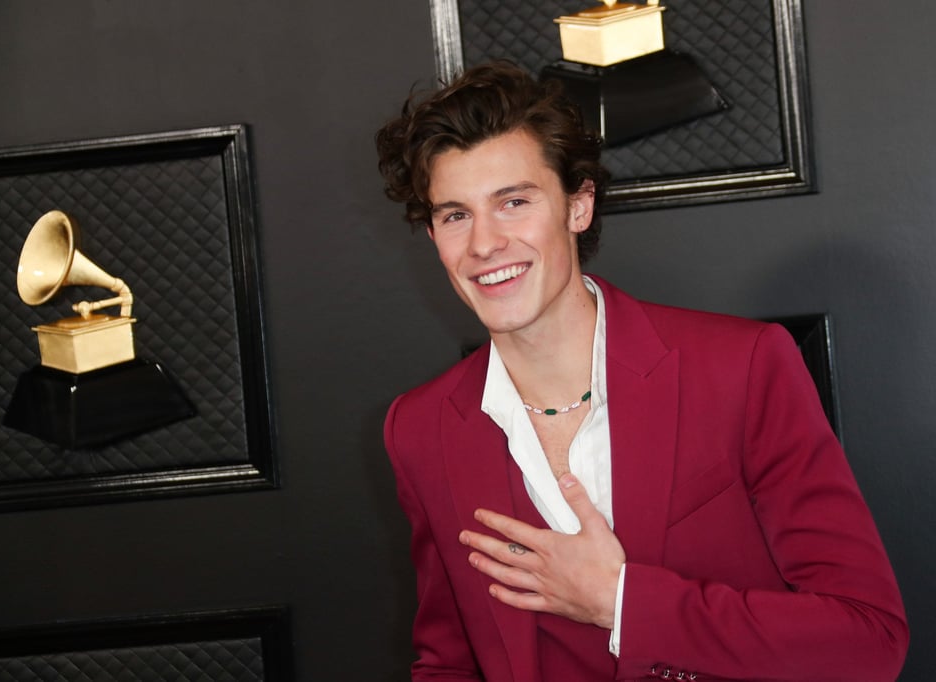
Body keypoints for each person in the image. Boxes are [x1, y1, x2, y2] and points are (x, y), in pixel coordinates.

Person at [376, 60, 908, 682]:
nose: (484, 244)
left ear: (578, 206)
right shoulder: (419, 428)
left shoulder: (741, 368)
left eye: (514, 202)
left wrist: (620, 602)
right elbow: (448, 663)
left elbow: (867, 641)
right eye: (455, 215)